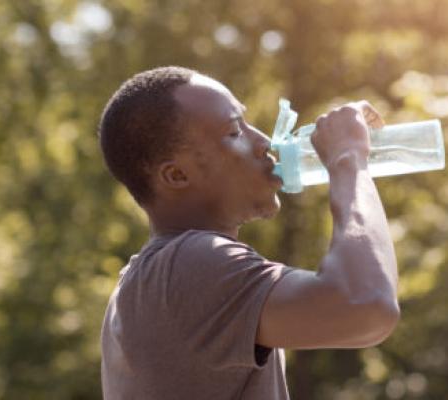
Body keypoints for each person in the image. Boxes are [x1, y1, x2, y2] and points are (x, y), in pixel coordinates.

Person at [98, 65, 400, 400]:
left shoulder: (148, 279)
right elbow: (366, 306)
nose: (264, 142)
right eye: (233, 131)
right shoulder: (188, 264)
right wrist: (348, 159)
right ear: (177, 175)